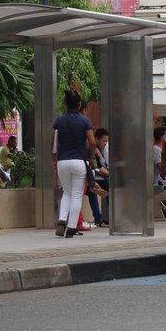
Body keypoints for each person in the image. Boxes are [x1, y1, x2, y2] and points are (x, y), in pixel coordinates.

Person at [53, 89, 95, 238]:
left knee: (67, 192)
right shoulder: (85, 121)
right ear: (79, 104)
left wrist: (54, 160)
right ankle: (71, 228)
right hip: (79, 161)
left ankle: (61, 220)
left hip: (62, 161)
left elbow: (53, 143)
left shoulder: (59, 121)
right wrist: (90, 157)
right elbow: (92, 142)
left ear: (65, 103)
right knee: (77, 195)